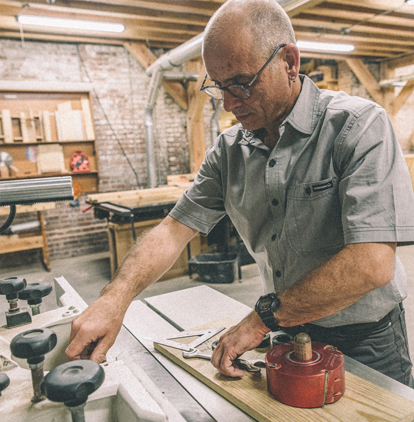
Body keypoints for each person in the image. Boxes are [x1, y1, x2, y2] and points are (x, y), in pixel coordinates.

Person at [66, 0, 414, 386]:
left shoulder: (358, 127)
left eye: (242, 84)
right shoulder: (229, 150)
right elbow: (173, 230)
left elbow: (372, 263)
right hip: (284, 330)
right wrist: (115, 298)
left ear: (289, 62)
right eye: (218, 87)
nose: (229, 104)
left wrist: (262, 319)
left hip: (367, 338)